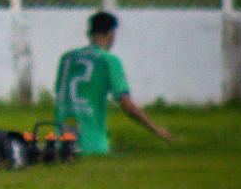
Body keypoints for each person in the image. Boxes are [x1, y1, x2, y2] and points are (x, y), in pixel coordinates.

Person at [54, 11, 171, 154]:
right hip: (91, 144)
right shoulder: (109, 61)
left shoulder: (67, 58)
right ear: (111, 34)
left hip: (61, 142)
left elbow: (59, 92)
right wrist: (155, 129)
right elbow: (126, 104)